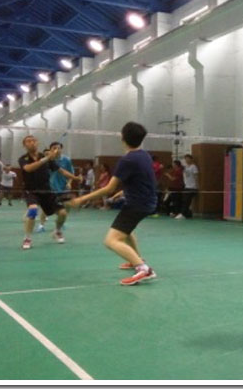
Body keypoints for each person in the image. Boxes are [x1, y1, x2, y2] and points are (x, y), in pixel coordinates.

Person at [67, 122, 157, 286]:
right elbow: (142, 180)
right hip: (147, 201)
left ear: (122, 138)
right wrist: (123, 193)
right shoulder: (145, 155)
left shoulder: (127, 160)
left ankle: (144, 269)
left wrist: (81, 199)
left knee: (111, 240)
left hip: (137, 204)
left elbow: (109, 188)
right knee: (127, 231)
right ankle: (136, 259)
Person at [18, 135, 81, 250]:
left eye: (34, 140)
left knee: (63, 213)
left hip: (47, 191)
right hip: (32, 191)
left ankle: (57, 231)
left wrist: (75, 178)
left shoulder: (46, 158)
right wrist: (46, 159)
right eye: (28, 141)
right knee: (32, 211)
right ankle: (27, 238)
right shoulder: (23, 159)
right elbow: (29, 168)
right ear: (24, 145)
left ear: (37, 143)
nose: (32, 142)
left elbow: (61, 171)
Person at [37, 142, 75, 232]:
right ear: (50, 150)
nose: (56, 149)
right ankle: (41, 225)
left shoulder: (67, 160)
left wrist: (69, 183)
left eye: (58, 148)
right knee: (46, 207)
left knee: (67, 205)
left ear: (61, 149)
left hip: (63, 187)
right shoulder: (47, 159)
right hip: (50, 187)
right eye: (54, 148)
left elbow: (71, 173)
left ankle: (61, 221)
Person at [177, 154, 199, 219]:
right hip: (186, 186)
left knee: (186, 201)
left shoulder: (193, 167)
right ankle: (187, 214)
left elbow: (196, 176)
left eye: (188, 158)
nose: (186, 160)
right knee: (185, 200)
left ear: (191, 159)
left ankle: (183, 214)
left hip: (192, 187)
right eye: (185, 159)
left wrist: (197, 186)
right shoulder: (185, 167)